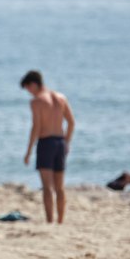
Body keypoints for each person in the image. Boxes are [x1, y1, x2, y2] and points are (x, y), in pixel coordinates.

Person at [21, 70, 75, 224]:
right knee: (60, 187)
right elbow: (71, 122)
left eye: (28, 88)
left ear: (33, 84)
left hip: (46, 143)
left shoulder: (37, 101)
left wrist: (28, 151)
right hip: (60, 142)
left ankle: (50, 220)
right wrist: (67, 142)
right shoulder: (61, 98)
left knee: (47, 187)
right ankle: (61, 220)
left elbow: (36, 127)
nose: (29, 92)